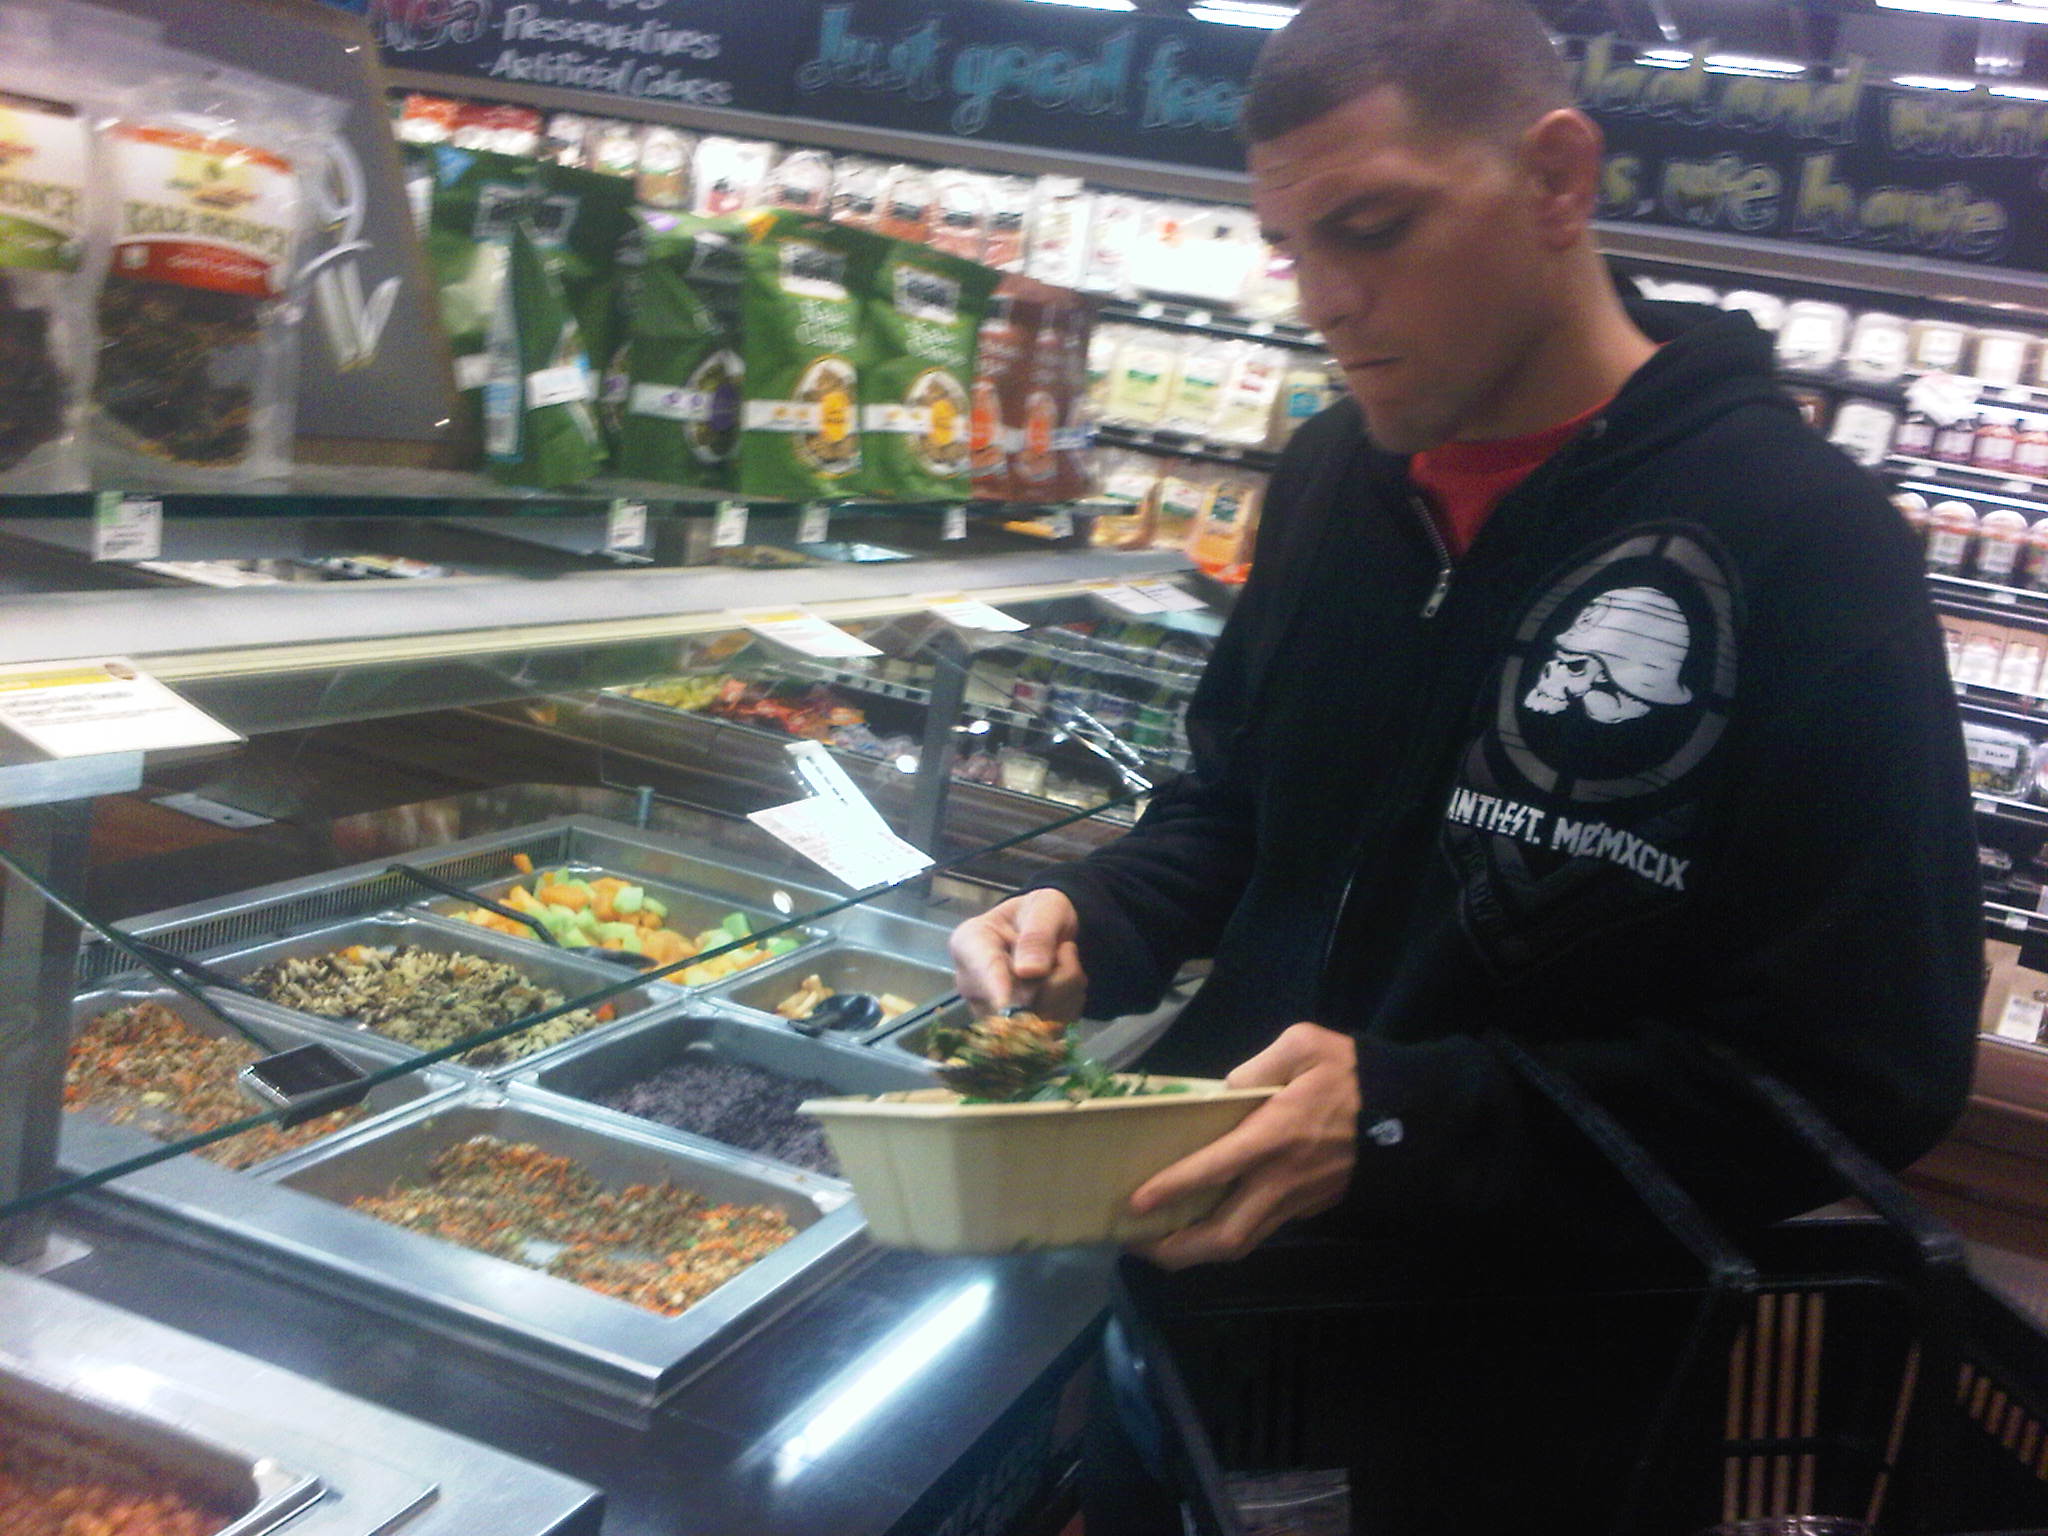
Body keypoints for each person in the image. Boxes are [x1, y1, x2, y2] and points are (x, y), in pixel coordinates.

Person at [949, 0, 1982, 1527]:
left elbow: (1865, 1069)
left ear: (1557, 178)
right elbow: (1238, 804)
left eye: (1373, 230)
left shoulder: (1803, 542)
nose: (1327, 301)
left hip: (1516, 1414)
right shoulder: (1331, 475)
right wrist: (1101, 918)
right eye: (1293, 249)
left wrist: (1403, 1118)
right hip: (1190, 1319)